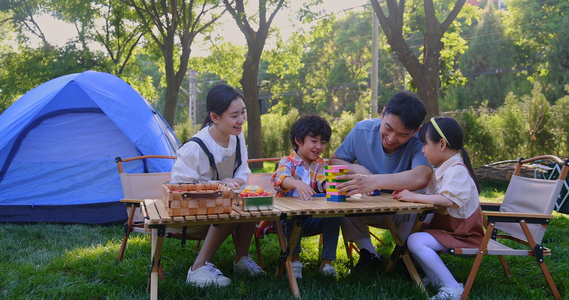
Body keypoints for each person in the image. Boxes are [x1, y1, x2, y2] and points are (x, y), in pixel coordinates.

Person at [171, 84, 265, 287]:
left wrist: (234, 183)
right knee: (230, 205)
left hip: (224, 206)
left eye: (243, 113)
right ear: (215, 117)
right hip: (190, 213)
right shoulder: (194, 147)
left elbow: (243, 172)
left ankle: (241, 259)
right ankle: (197, 268)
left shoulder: (237, 137)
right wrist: (219, 185)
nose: (241, 120)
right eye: (234, 115)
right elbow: (180, 188)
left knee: (250, 202)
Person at [329, 91, 432, 272]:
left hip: (404, 211)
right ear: (382, 114)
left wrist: (375, 181)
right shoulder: (361, 130)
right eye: (388, 128)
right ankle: (368, 253)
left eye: (402, 134)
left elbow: (421, 176)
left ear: (416, 131)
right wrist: (357, 169)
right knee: (341, 195)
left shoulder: (420, 142)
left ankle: (404, 252)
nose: (392, 139)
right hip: (369, 206)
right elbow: (335, 160)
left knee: (425, 202)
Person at [394, 117, 483, 300]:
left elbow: (448, 200)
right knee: (405, 230)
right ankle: (436, 279)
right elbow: (430, 197)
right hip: (449, 229)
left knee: (417, 241)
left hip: (463, 234)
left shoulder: (457, 170)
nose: (422, 150)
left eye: (425, 144)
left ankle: (453, 287)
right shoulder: (443, 170)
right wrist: (410, 193)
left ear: (441, 144)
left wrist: (414, 196)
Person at [271, 115, 341, 278]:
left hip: (313, 216)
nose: (319, 146)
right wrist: (297, 183)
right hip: (287, 218)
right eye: (314, 141)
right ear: (298, 140)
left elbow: (322, 182)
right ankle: (294, 260)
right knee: (293, 214)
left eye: (323, 142)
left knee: (336, 214)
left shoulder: (320, 164)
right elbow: (279, 179)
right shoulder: (287, 162)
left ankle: (327, 263)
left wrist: (330, 186)